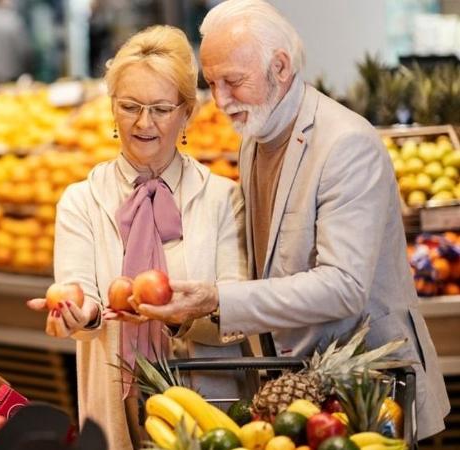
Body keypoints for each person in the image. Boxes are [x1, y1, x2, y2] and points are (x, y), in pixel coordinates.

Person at [132, 0, 450, 439]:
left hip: (372, 395)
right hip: (301, 392)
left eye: (233, 82)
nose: (221, 101)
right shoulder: (255, 138)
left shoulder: (346, 145)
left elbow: (343, 287)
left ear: (280, 67)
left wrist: (217, 298)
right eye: (211, 84)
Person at [28, 25, 251, 449]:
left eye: (161, 109)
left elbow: (238, 309)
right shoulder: (81, 201)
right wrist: (80, 315)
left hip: (210, 402)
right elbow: (84, 297)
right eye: (130, 106)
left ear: (187, 112)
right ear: (112, 108)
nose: (144, 123)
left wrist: (183, 313)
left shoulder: (223, 198)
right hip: (118, 400)